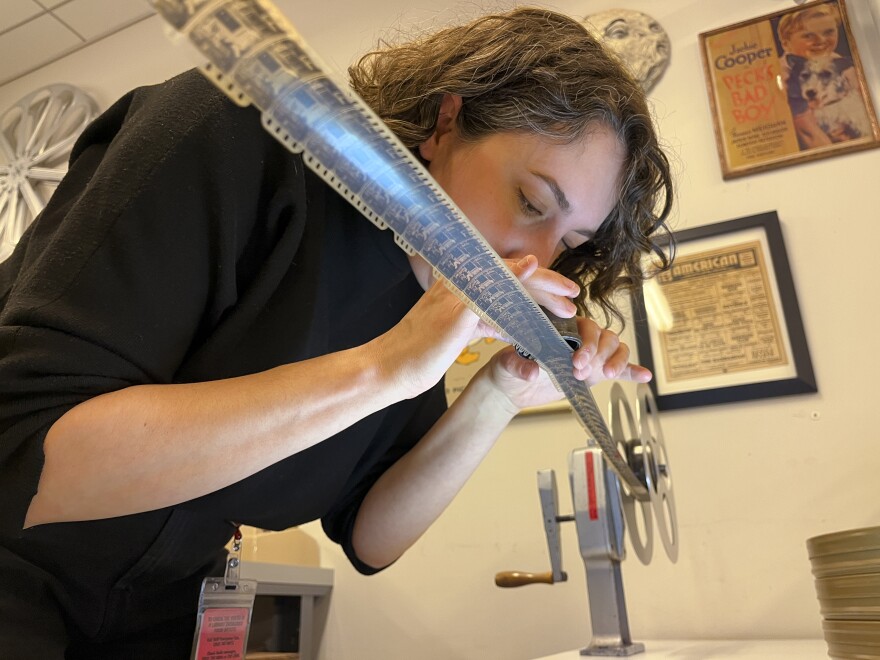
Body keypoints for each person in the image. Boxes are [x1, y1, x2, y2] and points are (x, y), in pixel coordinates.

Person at [0, 6, 673, 658]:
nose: (538, 257)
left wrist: (500, 391)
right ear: (445, 124)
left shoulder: (427, 302)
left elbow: (370, 537)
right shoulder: (232, 132)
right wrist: (386, 369)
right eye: (530, 201)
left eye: (570, 241)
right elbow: (24, 460)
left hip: (162, 605)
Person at [776, 2, 865, 147]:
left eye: (828, 32)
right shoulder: (783, 74)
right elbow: (807, 131)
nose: (821, 41)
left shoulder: (838, 62)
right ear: (786, 44)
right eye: (808, 36)